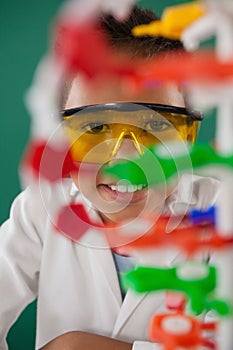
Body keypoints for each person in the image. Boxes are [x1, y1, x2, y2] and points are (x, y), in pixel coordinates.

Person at [0, 5, 218, 350]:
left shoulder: (223, 214)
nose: (125, 156)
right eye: (96, 127)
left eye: (156, 126)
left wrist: (75, 346)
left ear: (188, 137)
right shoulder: (40, 210)